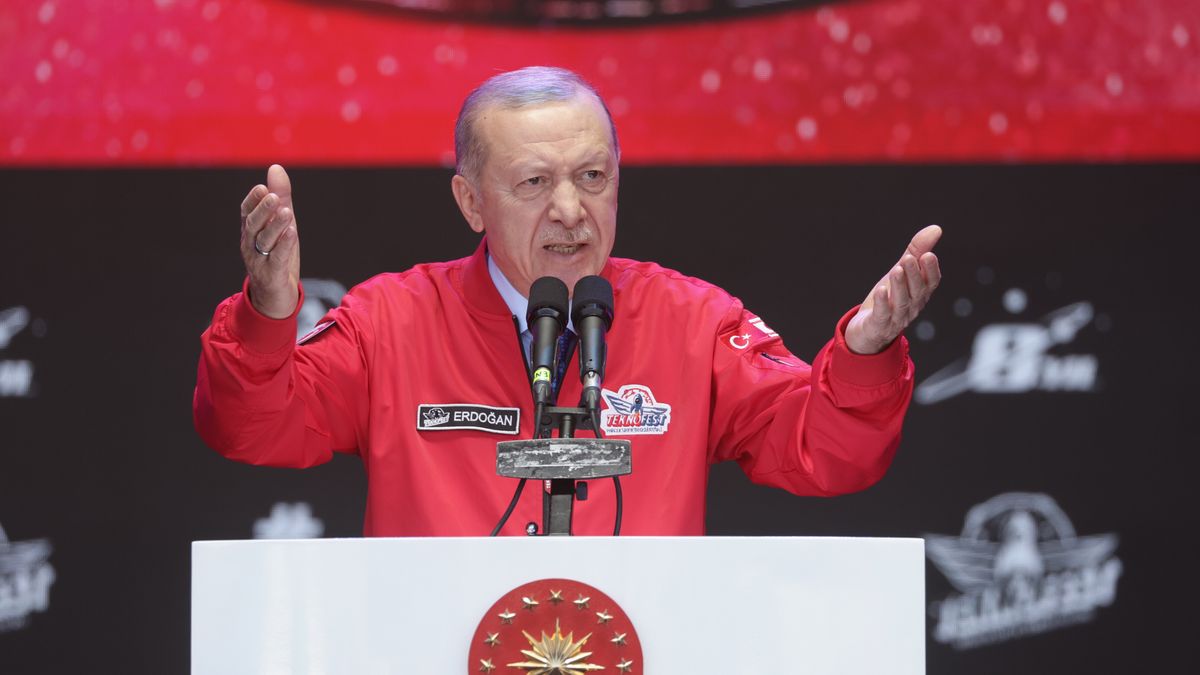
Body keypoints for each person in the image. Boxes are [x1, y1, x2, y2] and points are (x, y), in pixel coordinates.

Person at [194, 66, 941, 536]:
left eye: (592, 177)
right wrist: (267, 309)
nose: (570, 210)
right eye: (533, 183)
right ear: (470, 201)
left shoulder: (693, 321)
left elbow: (825, 454)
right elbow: (250, 429)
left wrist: (866, 352)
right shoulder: (392, 321)